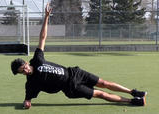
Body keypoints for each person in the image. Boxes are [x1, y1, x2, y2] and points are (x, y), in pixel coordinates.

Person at [11, 3, 147, 109]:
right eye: (22, 72)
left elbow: (42, 37)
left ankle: (133, 92)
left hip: (74, 72)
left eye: (24, 67)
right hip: (71, 88)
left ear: (27, 63)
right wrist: (26, 103)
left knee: (104, 83)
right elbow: (27, 100)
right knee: (101, 94)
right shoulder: (31, 84)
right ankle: (133, 101)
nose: (26, 71)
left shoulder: (37, 59)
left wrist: (46, 17)